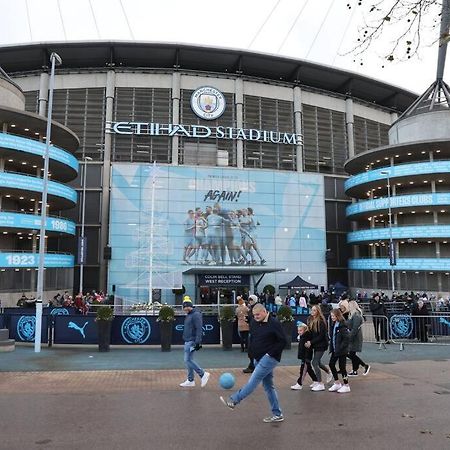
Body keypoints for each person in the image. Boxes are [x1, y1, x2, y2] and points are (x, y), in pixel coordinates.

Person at [220, 303, 286, 423]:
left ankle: (234, 400)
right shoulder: (254, 322)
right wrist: (252, 355)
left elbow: (283, 341)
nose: (256, 317)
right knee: (269, 387)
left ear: (264, 311)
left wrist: (270, 354)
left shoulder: (274, 323)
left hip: (269, 358)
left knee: (253, 381)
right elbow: (253, 337)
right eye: (254, 315)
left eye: (258, 315)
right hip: (257, 358)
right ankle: (277, 413)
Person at [179, 296, 210, 388]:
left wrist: (197, 342)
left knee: (187, 360)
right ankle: (190, 380)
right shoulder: (189, 314)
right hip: (188, 340)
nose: (184, 310)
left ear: (188, 306)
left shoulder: (196, 315)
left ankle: (203, 374)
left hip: (192, 341)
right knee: (189, 360)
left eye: (184, 308)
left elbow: (199, 329)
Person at [305, 304, 333, 391]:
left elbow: (321, 336)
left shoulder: (321, 321)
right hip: (316, 345)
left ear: (318, 311)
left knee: (315, 363)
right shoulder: (311, 319)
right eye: (312, 310)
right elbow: (311, 332)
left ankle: (320, 383)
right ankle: (328, 372)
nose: (312, 312)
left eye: (314, 310)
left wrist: (311, 342)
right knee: (318, 362)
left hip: (321, 345)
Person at [328, 308, 351, 393]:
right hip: (335, 349)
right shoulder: (335, 324)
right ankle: (337, 382)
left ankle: (346, 385)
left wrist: (341, 347)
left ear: (337, 315)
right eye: (331, 316)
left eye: (333, 316)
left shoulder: (342, 325)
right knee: (331, 364)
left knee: (342, 368)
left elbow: (347, 338)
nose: (332, 317)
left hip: (341, 350)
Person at [347, 300, 371, 377]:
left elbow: (355, 328)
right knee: (352, 353)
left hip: (355, 337)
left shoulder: (356, 315)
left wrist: (349, 336)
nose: (348, 307)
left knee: (351, 353)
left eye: (349, 306)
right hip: (353, 335)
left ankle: (364, 365)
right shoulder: (353, 314)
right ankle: (355, 370)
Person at [290, 322, 317, 390]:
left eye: (300, 330)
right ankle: (315, 380)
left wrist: (306, 358)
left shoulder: (306, 338)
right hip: (304, 356)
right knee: (309, 369)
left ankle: (299, 383)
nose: (299, 332)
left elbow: (308, 349)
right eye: (298, 330)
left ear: (305, 330)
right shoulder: (302, 337)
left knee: (303, 370)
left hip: (306, 357)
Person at [243, 294, 258, 373]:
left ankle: (253, 366)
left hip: (256, 331)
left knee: (253, 349)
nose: (250, 301)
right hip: (252, 330)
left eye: (251, 299)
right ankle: (252, 365)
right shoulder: (251, 308)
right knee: (251, 349)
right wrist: (248, 319)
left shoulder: (257, 308)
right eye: (249, 299)